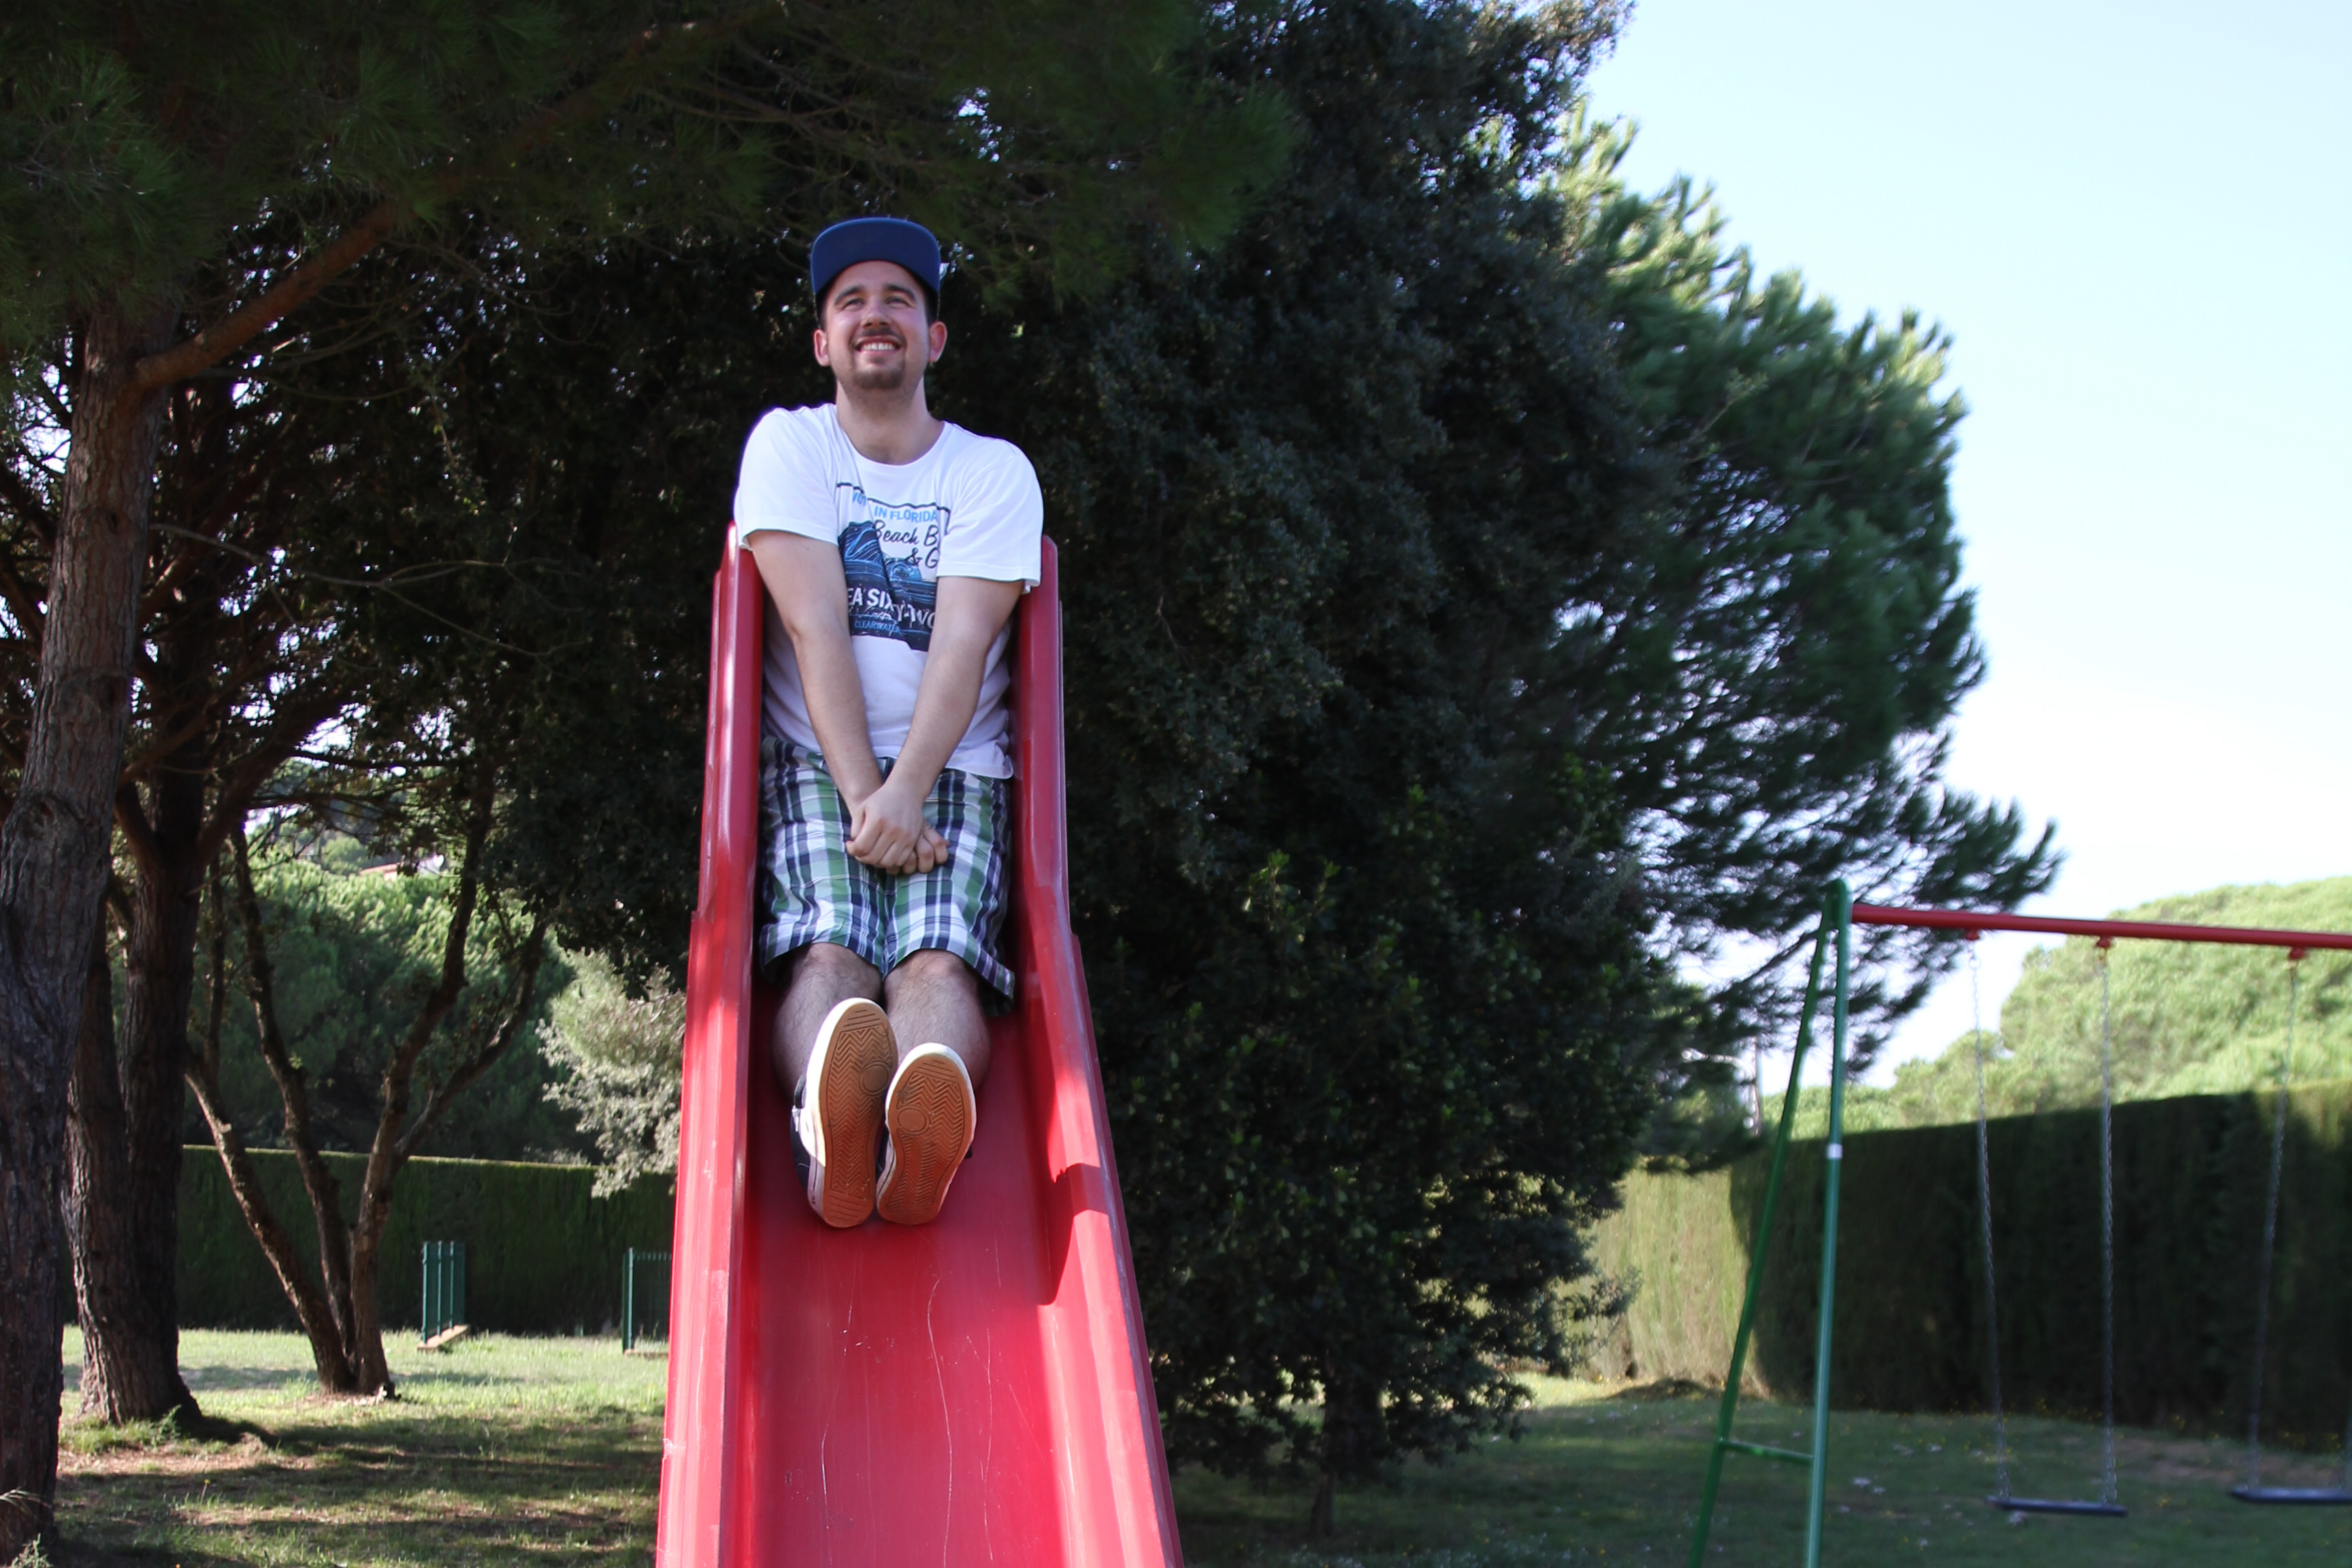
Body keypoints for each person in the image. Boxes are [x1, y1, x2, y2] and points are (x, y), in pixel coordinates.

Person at [732, 216, 1041, 1228]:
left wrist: (906, 793)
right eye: (852, 301)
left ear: (933, 339)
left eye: (899, 300)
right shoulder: (792, 446)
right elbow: (814, 624)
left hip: (958, 768)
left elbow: (963, 644)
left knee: (937, 962)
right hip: (819, 763)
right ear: (823, 341)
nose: (876, 316)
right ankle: (835, 1132)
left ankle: (921, 1128)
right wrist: (869, 794)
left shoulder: (992, 473)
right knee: (831, 955)